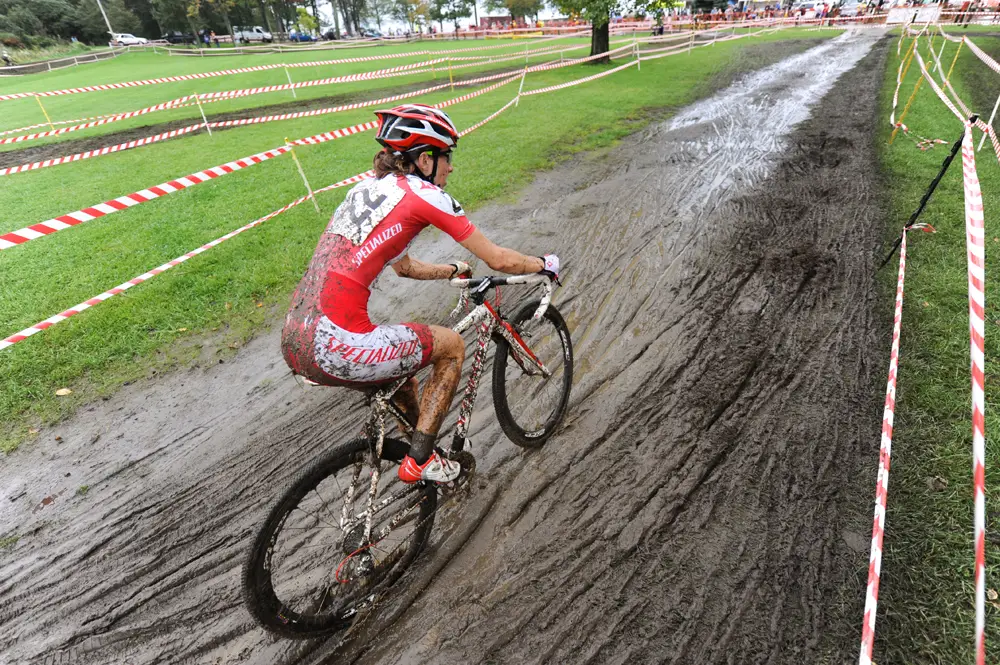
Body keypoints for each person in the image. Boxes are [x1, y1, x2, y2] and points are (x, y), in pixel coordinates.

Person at [281, 104, 560, 484]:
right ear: (425, 158)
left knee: (405, 380)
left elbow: (404, 266)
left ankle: (420, 450)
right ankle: (422, 462)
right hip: (337, 342)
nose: (450, 168)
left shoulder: (364, 190)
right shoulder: (425, 195)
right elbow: (498, 259)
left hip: (296, 334)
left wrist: (450, 271)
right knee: (451, 346)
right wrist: (544, 264)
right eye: (447, 157)